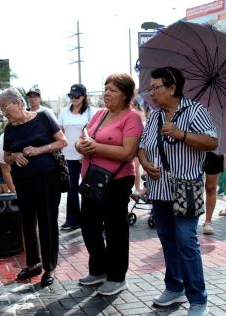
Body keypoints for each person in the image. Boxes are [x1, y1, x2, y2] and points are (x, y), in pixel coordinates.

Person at [138, 67, 217, 316]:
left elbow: (212, 142)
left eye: (155, 88)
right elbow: (142, 146)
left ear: (172, 88)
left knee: (186, 241)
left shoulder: (195, 110)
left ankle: (198, 298)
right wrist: (145, 163)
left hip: (185, 189)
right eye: (150, 88)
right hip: (159, 189)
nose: (151, 92)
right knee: (167, 240)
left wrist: (182, 134)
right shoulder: (154, 116)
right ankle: (174, 287)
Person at [75, 73, 143, 295]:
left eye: (112, 90)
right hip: (92, 179)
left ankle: (116, 276)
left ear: (125, 94)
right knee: (89, 226)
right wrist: (80, 146)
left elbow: (128, 152)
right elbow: (83, 136)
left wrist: (95, 147)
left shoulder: (131, 117)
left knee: (115, 230)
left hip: (118, 180)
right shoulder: (100, 115)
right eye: (105, 88)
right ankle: (98, 270)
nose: (106, 93)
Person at [0, 87, 67, 287]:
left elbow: (62, 142)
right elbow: (7, 156)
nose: (4, 113)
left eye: (5, 108)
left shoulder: (43, 117)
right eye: (1, 109)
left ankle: (49, 266)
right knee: (27, 221)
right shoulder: (10, 128)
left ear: (18, 104)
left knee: (47, 221)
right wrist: (15, 156)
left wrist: (38, 150)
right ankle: (33, 263)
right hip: (23, 180)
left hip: (47, 178)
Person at [57, 83, 96, 231]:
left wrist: (85, 153)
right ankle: (72, 220)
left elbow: (94, 133)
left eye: (77, 96)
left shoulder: (91, 112)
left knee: (89, 189)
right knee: (71, 189)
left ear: (84, 97)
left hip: (87, 156)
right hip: (68, 156)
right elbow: (59, 132)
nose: (73, 98)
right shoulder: (63, 112)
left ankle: (89, 220)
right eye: (71, 95)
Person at [202, 152, 224, 234]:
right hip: (192, 150)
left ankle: (208, 221)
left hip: (213, 151)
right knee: (191, 185)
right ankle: (187, 219)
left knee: (211, 188)